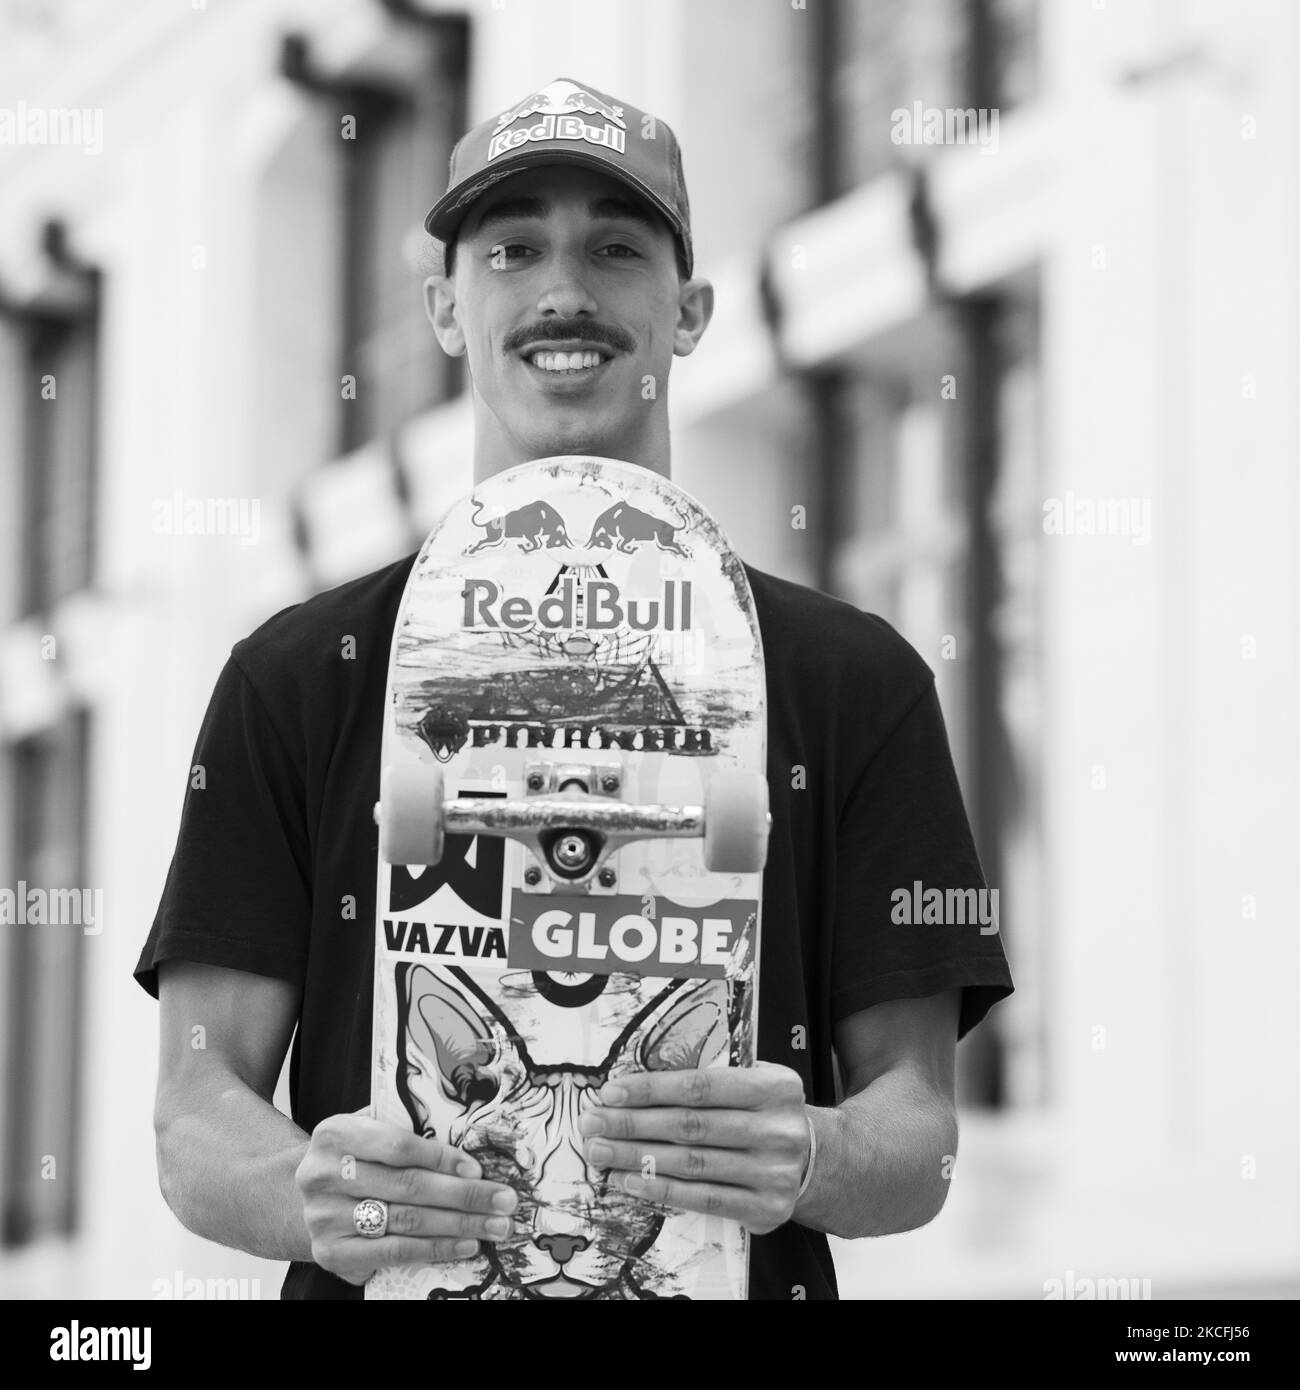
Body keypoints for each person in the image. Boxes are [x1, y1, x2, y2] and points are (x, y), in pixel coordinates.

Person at [135, 76, 1013, 1301]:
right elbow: (192, 1112)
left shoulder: (853, 679)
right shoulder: (294, 679)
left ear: (689, 309)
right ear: (445, 306)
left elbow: (917, 1136)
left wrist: (812, 1152)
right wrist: (317, 1194)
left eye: (614, 248)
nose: (563, 291)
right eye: (512, 250)